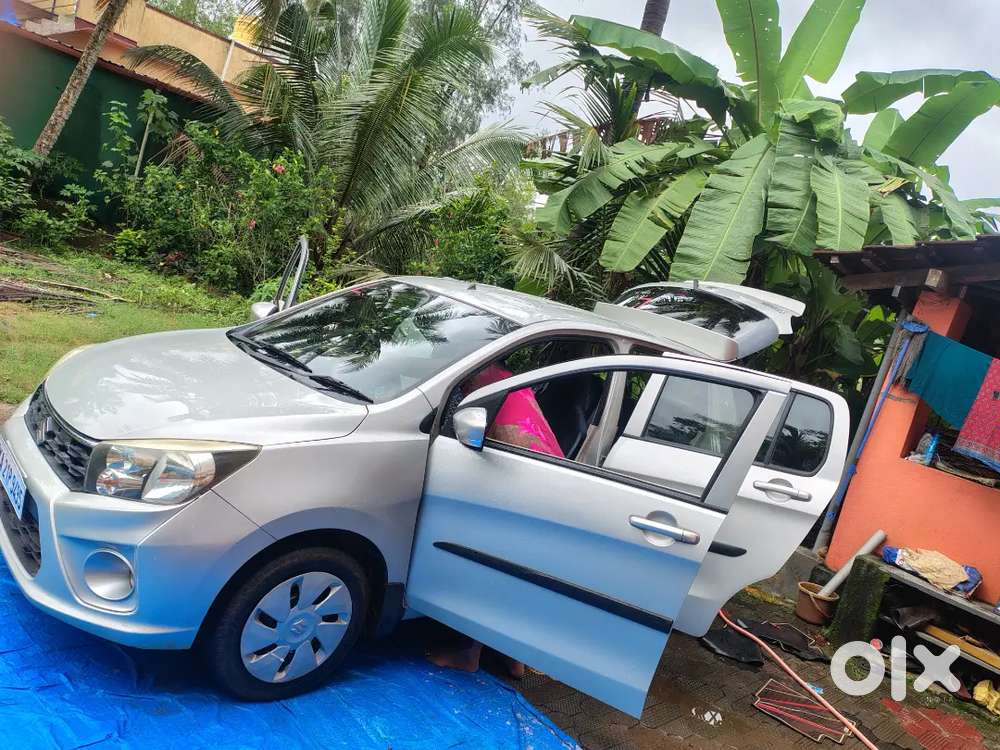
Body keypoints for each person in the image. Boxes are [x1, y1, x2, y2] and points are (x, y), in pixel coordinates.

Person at [427, 361, 564, 678]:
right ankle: (513, 656)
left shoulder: (484, 387)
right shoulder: (512, 380)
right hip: (554, 484)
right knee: (518, 577)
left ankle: (468, 654)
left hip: (523, 487)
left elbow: (463, 438)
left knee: (492, 572)